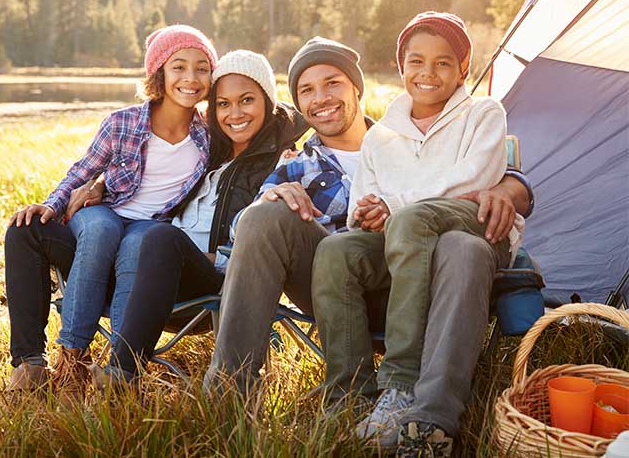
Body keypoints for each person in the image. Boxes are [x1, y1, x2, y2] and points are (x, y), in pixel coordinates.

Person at [202, 35, 534, 409]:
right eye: (307, 90)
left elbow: (474, 172)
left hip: (428, 281)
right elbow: (244, 236)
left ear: (356, 89)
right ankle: (230, 392)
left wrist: (512, 184)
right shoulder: (295, 165)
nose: (321, 98)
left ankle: (421, 405)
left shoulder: (405, 134)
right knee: (265, 216)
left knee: (453, 242)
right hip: (338, 293)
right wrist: (270, 198)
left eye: (332, 83)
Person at [312, 12, 524, 457]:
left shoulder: (483, 112)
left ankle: (402, 382)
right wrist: (370, 211)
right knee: (336, 249)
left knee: (414, 222)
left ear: (464, 67)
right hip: (403, 236)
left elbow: (476, 178)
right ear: (401, 65)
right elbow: (362, 205)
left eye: (444, 63)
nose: (428, 73)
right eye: (416, 61)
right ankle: (351, 397)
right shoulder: (381, 133)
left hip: (475, 223)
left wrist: (397, 205)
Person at [3, 25, 217, 394]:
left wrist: (290, 153)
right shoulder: (123, 122)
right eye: (179, 66)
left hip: (149, 229)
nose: (191, 78)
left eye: (202, 68)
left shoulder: (209, 136)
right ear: (160, 72)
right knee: (33, 229)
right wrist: (53, 204)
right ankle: (55, 361)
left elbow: (269, 115)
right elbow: (81, 172)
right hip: (104, 215)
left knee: (140, 244)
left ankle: (121, 369)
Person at [89, 50, 309, 386]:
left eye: (247, 100)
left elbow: (268, 245)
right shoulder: (208, 149)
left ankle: (122, 374)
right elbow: (151, 176)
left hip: (217, 277)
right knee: (70, 237)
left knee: (160, 240)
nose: (234, 113)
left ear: (267, 100)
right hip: (156, 268)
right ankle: (51, 361)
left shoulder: (283, 161)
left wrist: (212, 256)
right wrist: (99, 185)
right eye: (222, 103)